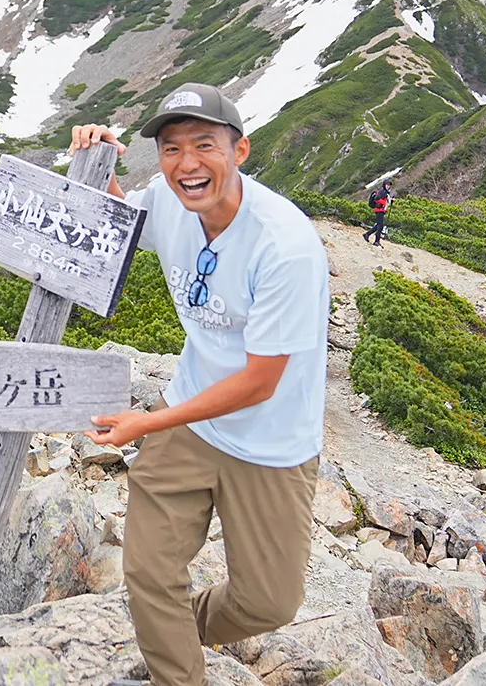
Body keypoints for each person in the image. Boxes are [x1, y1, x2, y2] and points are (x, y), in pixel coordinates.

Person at [72, 82, 330, 686]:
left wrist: (146, 422)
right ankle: (173, 666)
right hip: (188, 414)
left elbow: (260, 382)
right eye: (170, 149)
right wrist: (97, 155)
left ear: (239, 151)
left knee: (269, 604)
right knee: (149, 573)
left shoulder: (284, 247)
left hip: (270, 443)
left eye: (204, 145)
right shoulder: (167, 198)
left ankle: (169, 628)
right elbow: (118, 218)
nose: (187, 163)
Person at [362, 179, 393, 246]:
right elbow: (377, 199)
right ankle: (376, 241)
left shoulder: (385, 192)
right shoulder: (383, 192)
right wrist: (384, 203)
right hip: (379, 210)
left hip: (380, 210)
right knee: (380, 226)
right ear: (384, 185)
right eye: (387, 185)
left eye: (389, 185)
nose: (388, 186)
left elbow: (383, 199)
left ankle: (367, 234)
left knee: (378, 225)